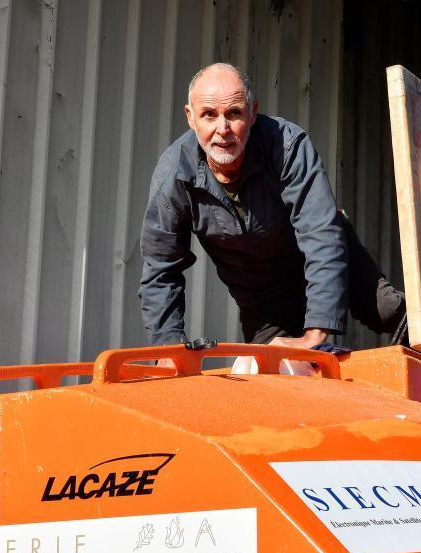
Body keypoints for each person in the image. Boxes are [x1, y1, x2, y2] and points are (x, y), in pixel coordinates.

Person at [138, 62, 404, 350]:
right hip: (262, 300)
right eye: (209, 115)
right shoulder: (172, 176)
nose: (222, 129)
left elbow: (320, 234)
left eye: (234, 113)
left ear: (253, 113)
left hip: (320, 260)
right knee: (283, 372)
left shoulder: (287, 146)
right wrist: (168, 350)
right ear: (191, 117)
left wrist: (315, 334)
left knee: (386, 309)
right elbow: (160, 270)